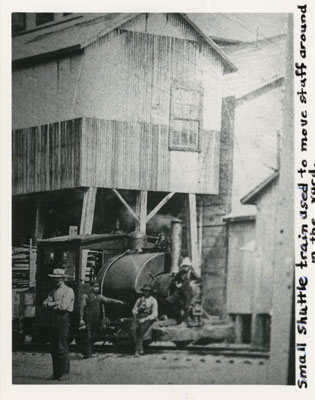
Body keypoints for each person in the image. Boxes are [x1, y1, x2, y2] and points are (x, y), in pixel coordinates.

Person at [43, 268, 74, 381]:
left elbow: (64, 307)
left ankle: (65, 373)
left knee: (62, 346)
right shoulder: (53, 291)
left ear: (62, 278)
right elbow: (44, 304)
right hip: (53, 319)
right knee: (54, 347)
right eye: (54, 278)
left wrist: (51, 304)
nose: (56, 280)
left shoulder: (68, 291)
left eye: (58, 278)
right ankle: (56, 373)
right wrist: (55, 303)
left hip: (63, 318)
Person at [79, 281, 124, 359]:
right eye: (95, 287)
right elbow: (82, 308)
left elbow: (108, 300)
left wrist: (118, 302)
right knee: (88, 337)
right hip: (88, 320)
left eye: (98, 287)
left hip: (96, 320)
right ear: (91, 287)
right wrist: (81, 319)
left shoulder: (99, 297)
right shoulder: (85, 296)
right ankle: (87, 355)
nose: (97, 289)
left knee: (92, 336)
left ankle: (87, 352)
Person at [131, 284, 158, 357]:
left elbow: (155, 314)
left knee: (141, 330)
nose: (146, 292)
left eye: (148, 291)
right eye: (145, 291)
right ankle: (140, 346)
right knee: (133, 329)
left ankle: (136, 350)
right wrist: (136, 314)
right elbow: (134, 309)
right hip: (138, 317)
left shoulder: (153, 300)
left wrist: (145, 319)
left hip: (148, 318)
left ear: (150, 292)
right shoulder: (139, 299)